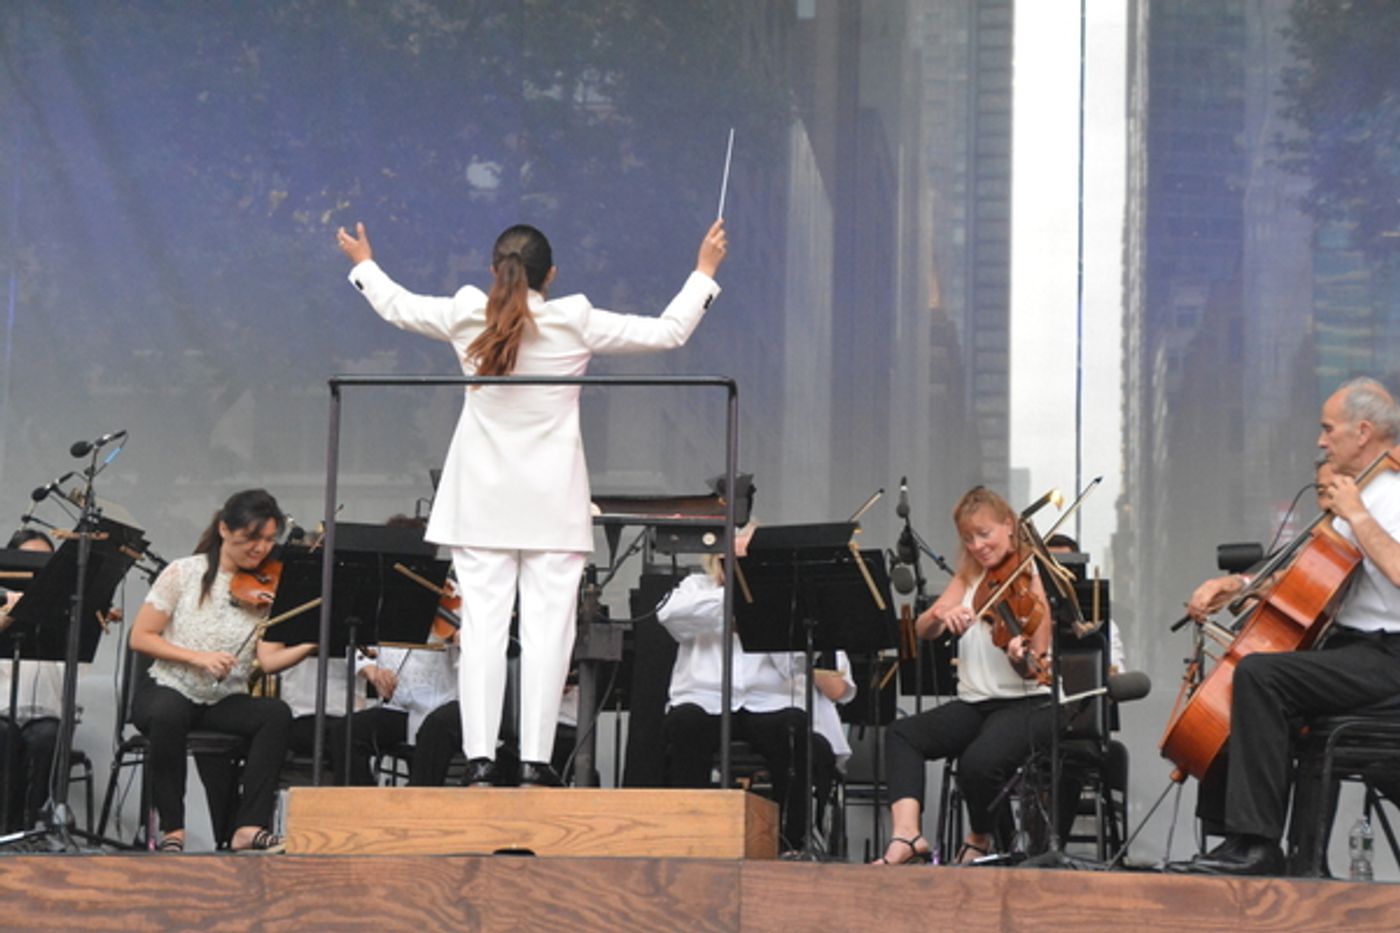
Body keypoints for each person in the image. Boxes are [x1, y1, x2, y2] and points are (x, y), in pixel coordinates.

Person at [337, 216, 727, 787]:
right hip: (550, 502)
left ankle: (479, 758)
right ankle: (537, 761)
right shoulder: (574, 320)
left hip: (482, 503)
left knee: (483, 633)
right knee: (549, 635)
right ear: (553, 275)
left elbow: (397, 305)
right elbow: (669, 331)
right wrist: (704, 271)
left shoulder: (470, 312)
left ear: (495, 271)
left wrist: (363, 262)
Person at [1177, 377, 1400, 875]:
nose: (1321, 441)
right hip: (1353, 650)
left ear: (1362, 432)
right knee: (1239, 673)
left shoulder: (1389, 495)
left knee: (1261, 676)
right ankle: (1234, 841)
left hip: (1389, 656)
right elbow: (1311, 574)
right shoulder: (1355, 496)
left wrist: (1359, 517)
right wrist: (1237, 585)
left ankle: (1257, 845)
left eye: (1328, 429)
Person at [876, 486, 1055, 865]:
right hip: (975, 703)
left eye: (984, 534)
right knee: (902, 734)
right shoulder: (970, 576)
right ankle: (907, 836)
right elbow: (924, 628)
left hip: (1026, 704)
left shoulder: (1033, 575)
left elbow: (1037, 662)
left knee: (978, 763)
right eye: (968, 538)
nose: (976, 546)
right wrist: (941, 615)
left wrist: (1018, 656)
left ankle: (981, 835)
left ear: (1009, 526)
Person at [657, 527, 855, 852]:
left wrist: (764, 608)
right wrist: (734, 601)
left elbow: (796, 667)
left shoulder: (782, 594)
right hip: (705, 701)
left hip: (767, 704)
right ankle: (688, 835)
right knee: (684, 723)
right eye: (729, 560)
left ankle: (789, 841)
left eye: (747, 560)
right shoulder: (696, 587)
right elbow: (671, 616)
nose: (738, 567)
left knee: (793, 726)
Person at [128, 489, 305, 853]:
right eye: (252, 538)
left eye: (270, 540)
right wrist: (198, 657)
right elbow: (141, 637)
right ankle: (173, 830)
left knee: (275, 715)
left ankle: (247, 826)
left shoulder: (267, 586)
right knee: (168, 712)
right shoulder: (183, 572)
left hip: (221, 699)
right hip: (169, 686)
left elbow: (268, 661)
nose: (261, 549)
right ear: (225, 529)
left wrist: (313, 643)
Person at [0, 530, 62, 831]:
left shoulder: (61, 608)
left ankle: (26, 830)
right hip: (0, 711)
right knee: (4, 738)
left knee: (45, 738)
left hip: (43, 712)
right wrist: (11, 612)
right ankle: (4, 829)